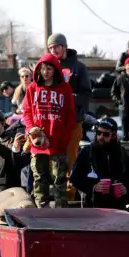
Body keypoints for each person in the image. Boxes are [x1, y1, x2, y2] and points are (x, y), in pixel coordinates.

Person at [21, 53, 76, 208]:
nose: (45, 72)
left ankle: (61, 214)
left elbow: (70, 116)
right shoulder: (32, 88)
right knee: (39, 179)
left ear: (55, 70)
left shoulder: (65, 89)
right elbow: (26, 112)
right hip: (37, 145)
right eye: (43, 68)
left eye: (49, 69)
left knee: (59, 180)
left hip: (58, 144)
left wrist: (64, 140)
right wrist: (31, 129)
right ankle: (41, 210)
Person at [46, 33, 91, 180]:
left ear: (64, 46)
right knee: (52, 162)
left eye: (56, 46)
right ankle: (54, 197)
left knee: (71, 161)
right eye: (50, 48)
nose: (54, 50)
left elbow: (86, 94)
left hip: (72, 122)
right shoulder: (48, 68)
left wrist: (68, 99)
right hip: (52, 122)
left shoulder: (79, 68)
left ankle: (71, 198)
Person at [70, 117, 129, 209]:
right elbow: (74, 178)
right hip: (93, 205)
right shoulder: (87, 151)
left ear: (113, 135)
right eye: (98, 133)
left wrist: (126, 188)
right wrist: (92, 187)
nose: (101, 137)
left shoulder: (121, 153)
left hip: (117, 206)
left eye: (105, 134)